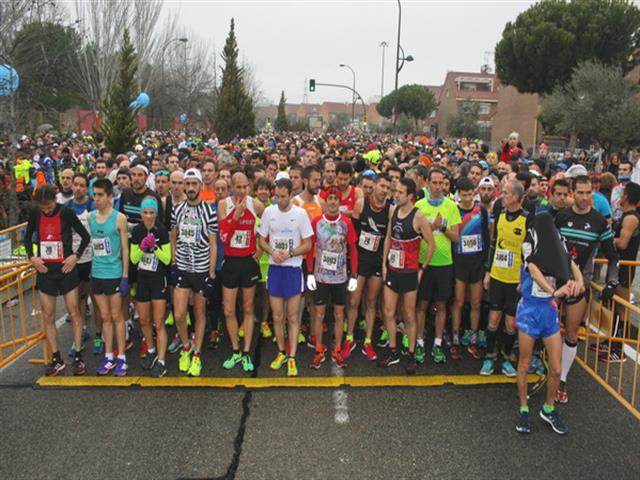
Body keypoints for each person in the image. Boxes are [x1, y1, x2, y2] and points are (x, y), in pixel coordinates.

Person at [515, 213, 582, 435]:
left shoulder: (557, 241)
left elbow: (570, 262)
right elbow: (533, 270)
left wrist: (579, 283)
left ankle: (548, 408)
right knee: (524, 363)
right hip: (529, 311)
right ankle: (524, 409)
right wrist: (554, 291)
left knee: (556, 367)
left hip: (549, 312)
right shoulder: (528, 243)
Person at [554, 175, 619, 403]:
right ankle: (550, 367)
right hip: (558, 280)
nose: (584, 197)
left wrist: (612, 280)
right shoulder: (561, 216)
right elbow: (549, 248)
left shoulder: (600, 221)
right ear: (572, 192)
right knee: (551, 329)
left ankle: (562, 379)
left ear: (593, 192)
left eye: (588, 193)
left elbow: (612, 256)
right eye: (580, 192)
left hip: (581, 284)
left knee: (572, 332)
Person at [25, 184, 90, 376]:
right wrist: (32, 257)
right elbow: (28, 238)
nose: (46, 210)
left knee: (74, 312)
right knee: (48, 316)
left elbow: (85, 236)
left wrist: (75, 256)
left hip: (66, 269)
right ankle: (56, 358)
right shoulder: (36, 213)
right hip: (46, 270)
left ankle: (78, 355)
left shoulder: (66, 212)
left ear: (55, 200)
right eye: (43, 207)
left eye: (48, 206)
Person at [378, 178, 436, 374]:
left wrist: (422, 268)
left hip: (410, 272)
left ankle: (410, 353)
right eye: (396, 191)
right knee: (388, 311)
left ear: (410, 196)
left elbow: (432, 244)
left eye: (401, 192)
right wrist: (384, 263)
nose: (396, 195)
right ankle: (393, 350)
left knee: (409, 314)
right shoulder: (393, 210)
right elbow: (388, 237)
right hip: (393, 269)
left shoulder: (418, 216)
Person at [258, 178, 313, 377]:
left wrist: (289, 253)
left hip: (292, 269)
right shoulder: (269, 212)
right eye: (277, 196)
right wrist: (272, 251)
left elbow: (308, 244)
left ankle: (292, 357)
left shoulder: (300, 214)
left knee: (292, 317)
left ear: (290, 194)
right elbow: (261, 240)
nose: (279, 200)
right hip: (275, 269)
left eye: (283, 196)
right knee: (277, 316)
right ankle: (281, 351)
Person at [170, 168, 218, 377]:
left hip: (201, 268)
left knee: (199, 313)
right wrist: (173, 262)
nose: (189, 188)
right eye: (186, 184)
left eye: (193, 184)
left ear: (200, 186)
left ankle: (197, 354)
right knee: (179, 314)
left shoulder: (210, 210)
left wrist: (211, 273)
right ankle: (186, 346)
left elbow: (214, 244)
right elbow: (173, 237)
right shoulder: (177, 209)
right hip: (182, 266)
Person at [482, 180, 530, 377]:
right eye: (503, 193)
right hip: (498, 276)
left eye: (507, 193)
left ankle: (507, 356)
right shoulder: (500, 215)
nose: (503, 196)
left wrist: (524, 278)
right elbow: (494, 244)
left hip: (515, 280)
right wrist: (488, 272)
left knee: (511, 322)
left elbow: (529, 253)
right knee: (494, 318)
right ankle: (489, 356)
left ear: (517, 197)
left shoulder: (527, 219)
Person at [218, 172, 265, 372]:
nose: (242, 191)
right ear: (232, 186)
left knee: (248, 308)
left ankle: (246, 351)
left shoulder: (256, 205)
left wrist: (261, 248)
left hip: (248, 262)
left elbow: (269, 226)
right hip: (230, 262)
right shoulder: (223, 205)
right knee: (228, 309)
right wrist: (235, 216)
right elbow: (224, 236)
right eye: (238, 187)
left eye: (245, 187)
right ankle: (235, 349)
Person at [307, 186, 359, 369]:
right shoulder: (316, 222)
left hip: (339, 277)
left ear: (339, 202)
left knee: (339, 314)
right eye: (329, 198)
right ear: (325, 201)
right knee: (319, 314)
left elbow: (353, 249)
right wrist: (309, 272)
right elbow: (309, 248)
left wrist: (354, 275)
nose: (332, 202)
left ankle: (337, 348)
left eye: (336, 199)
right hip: (321, 276)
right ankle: (319, 349)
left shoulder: (346, 223)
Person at [415, 168, 461, 364]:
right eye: (433, 182)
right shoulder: (419, 205)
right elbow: (414, 234)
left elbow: (456, 237)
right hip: (423, 262)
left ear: (444, 184)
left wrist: (442, 227)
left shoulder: (451, 206)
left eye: (440, 183)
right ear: (427, 184)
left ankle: (437, 343)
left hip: (444, 263)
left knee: (442, 305)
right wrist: (428, 228)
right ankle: (418, 343)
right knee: (422, 305)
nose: (437, 186)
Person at [344, 174, 391, 361]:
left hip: (377, 261)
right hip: (360, 260)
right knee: (354, 301)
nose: (384, 190)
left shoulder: (390, 209)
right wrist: (352, 262)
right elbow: (353, 237)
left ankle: (368, 341)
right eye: (381, 186)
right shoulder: (361, 204)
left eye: (388, 187)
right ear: (375, 186)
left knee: (372, 302)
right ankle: (349, 338)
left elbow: (388, 238)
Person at [90, 179, 130, 376]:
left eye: (100, 195)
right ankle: (108, 355)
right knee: (104, 316)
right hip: (96, 274)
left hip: (114, 274)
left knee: (117, 316)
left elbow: (125, 248)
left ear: (109, 196)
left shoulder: (119, 218)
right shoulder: (90, 217)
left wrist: (125, 276)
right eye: (94, 195)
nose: (96, 199)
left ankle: (121, 356)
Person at [130, 198, 171, 377]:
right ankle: (152, 350)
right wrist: (142, 247)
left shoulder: (161, 230)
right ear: (141, 213)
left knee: (159, 321)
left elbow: (167, 259)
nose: (148, 216)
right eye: (145, 212)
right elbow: (133, 259)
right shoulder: (137, 230)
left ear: (156, 214)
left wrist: (154, 248)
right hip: (143, 280)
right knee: (144, 320)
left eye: (151, 213)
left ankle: (161, 360)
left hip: (158, 280)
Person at [452, 177, 489, 361]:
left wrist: (485, 265)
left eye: (470, 194)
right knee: (458, 302)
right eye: (464, 195)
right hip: (460, 262)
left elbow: (487, 238)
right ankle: (456, 338)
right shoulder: (454, 210)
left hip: (477, 264)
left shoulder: (480, 210)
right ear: (458, 194)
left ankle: (473, 337)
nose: (468, 198)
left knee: (476, 303)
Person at [64, 173, 98, 355]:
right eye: (75, 184)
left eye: (81, 185)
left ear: (87, 188)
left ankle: (99, 334)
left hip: (91, 258)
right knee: (76, 301)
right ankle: (81, 333)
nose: (77, 188)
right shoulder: (66, 207)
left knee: (94, 299)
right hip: (73, 259)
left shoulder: (92, 205)